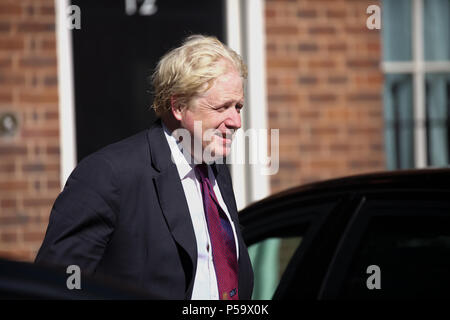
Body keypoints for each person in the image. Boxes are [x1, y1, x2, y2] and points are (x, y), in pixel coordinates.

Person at [35, 35, 254, 300]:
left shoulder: (216, 170)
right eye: (223, 107)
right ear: (178, 106)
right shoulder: (109, 174)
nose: (236, 121)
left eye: (238, 107)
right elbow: (53, 286)